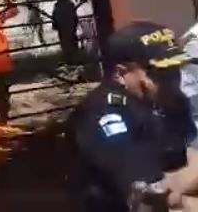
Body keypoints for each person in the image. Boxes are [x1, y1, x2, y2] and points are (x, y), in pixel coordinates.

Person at [71, 21, 198, 211]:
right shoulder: (107, 114)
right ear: (121, 74)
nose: (172, 80)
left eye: (174, 70)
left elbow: (187, 156)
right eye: (160, 73)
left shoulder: (168, 102)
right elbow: (147, 199)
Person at [53, 0, 79, 64]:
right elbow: (74, 16)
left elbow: (55, 16)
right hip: (67, 26)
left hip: (65, 26)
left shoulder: (59, 5)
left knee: (67, 42)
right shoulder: (68, 4)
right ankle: (72, 58)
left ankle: (70, 58)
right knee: (70, 41)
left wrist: (55, 24)